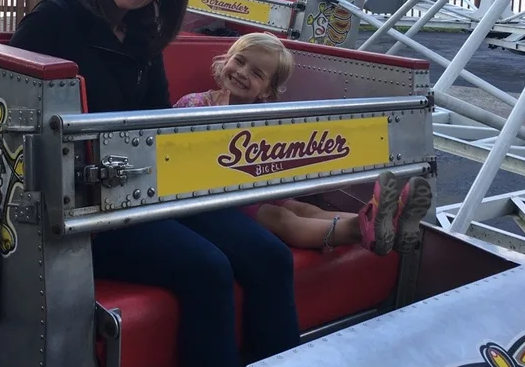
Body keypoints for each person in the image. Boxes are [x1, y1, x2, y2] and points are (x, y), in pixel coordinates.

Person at [9, 0, 299, 367]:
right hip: (79, 208)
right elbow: (10, 113)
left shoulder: (143, 34)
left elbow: (160, 123)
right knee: (207, 269)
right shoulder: (54, 21)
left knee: (269, 256)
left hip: (141, 194)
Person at [174, 32, 434, 255]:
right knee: (283, 218)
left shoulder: (266, 118)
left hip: (258, 191)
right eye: (239, 61)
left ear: (266, 89)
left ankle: (388, 224)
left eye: (256, 73)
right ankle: (359, 229)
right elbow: (171, 155)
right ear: (226, 61)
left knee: (305, 208)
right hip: (222, 201)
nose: (242, 73)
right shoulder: (195, 105)